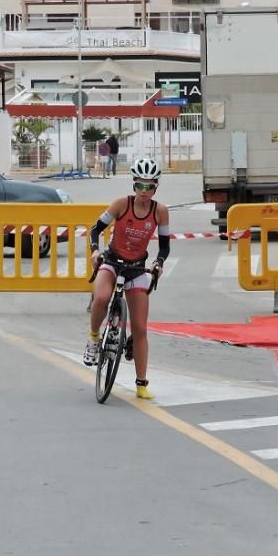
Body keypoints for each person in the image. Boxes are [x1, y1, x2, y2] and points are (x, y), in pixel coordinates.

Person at [83, 156, 170, 400]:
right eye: (140, 186)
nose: (144, 192)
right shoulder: (122, 204)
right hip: (111, 261)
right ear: (134, 185)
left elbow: (164, 247)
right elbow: (95, 229)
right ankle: (93, 337)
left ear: (156, 187)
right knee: (100, 297)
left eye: (149, 186)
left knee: (141, 328)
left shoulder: (160, 212)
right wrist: (95, 252)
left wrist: (158, 264)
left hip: (136, 268)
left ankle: (141, 384)